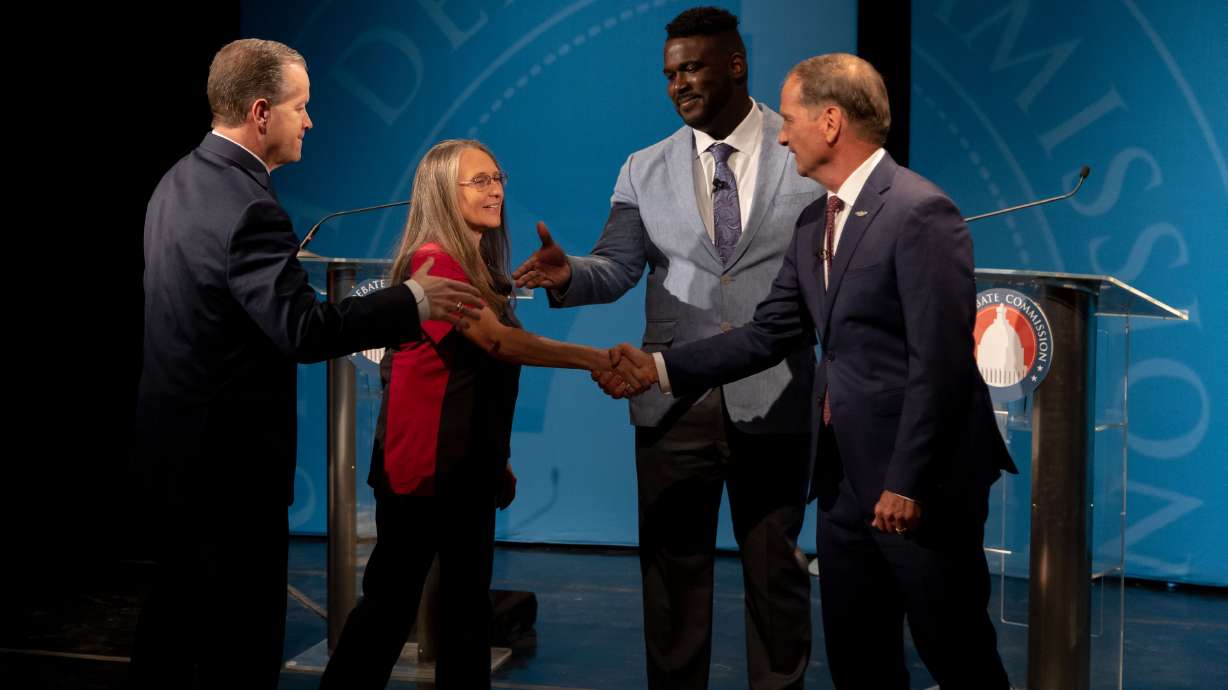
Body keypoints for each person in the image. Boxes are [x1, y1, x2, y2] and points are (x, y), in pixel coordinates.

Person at [607, 53, 1017, 689]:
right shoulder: (812, 222)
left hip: (921, 483)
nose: (780, 133)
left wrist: (905, 482)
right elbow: (770, 332)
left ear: (830, 122)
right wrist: (660, 368)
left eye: (790, 119)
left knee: (955, 650)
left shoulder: (918, 210)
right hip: (844, 479)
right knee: (860, 658)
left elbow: (939, 368)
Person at [131, 39, 482, 688]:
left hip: (172, 461)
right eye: (302, 107)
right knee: (238, 650)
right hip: (231, 477)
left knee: (174, 637)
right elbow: (302, 330)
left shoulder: (175, 182)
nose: (311, 121)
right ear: (261, 112)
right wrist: (415, 300)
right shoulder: (251, 208)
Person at [512, 8, 822, 688]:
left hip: (777, 398)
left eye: (692, 68)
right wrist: (571, 275)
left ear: (735, 64)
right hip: (671, 405)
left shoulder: (802, 151)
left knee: (778, 581)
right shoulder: (643, 168)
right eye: (669, 74)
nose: (678, 84)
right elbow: (617, 265)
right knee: (671, 586)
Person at [319, 139, 619, 690]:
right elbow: (499, 345)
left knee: (462, 616)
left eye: (497, 177)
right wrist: (598, 358)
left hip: (464, 467)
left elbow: (478, 376)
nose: (496, 189)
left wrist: (494, 459)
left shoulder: (475, 264)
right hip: (423, 471)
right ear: (441, 191)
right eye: (479, 181)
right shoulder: (434, 261)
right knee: (391, 610)